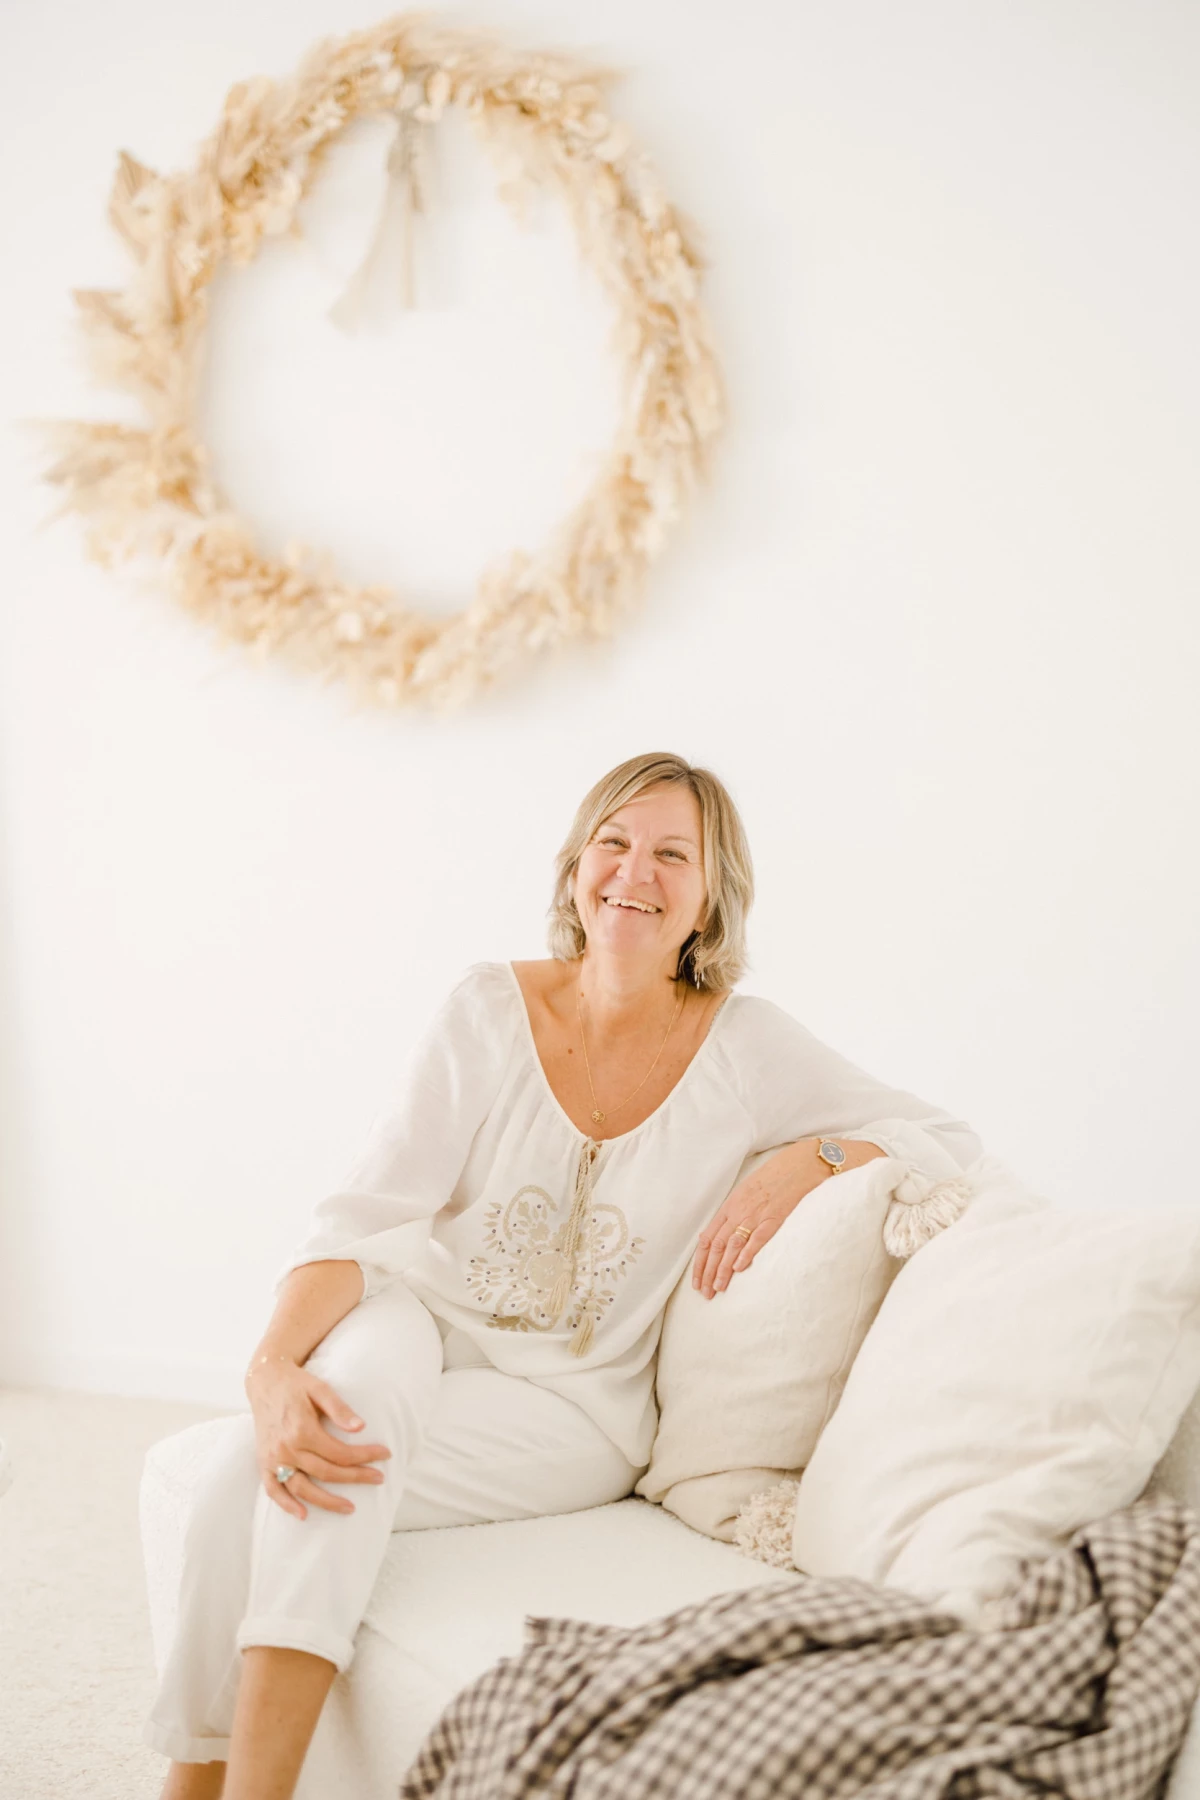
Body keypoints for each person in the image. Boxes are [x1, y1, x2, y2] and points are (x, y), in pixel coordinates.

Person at [148, 751, 982, 1800]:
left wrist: (810, 1157)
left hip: (575, 1406)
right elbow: (366, 1214)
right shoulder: (487, 1008)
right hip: (416, 1320)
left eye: (673, 854)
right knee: (300, 1440)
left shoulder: (748, 1049)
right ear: (576, 866)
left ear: (711, 897)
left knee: (287, 1472)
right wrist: (271, 1366)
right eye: (614, 842)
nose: (635, 872)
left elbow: (947, 1140)